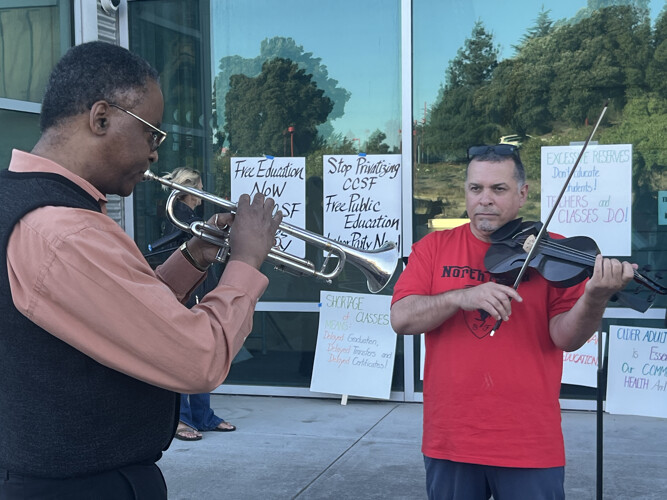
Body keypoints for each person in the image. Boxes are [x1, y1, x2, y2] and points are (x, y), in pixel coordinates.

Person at [0, 41, 282, 499]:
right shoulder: (64, 232)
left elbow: (128, 316)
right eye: (152, 134)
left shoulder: (27, 203)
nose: (155, 155)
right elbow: (199, 359)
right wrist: (247, 262)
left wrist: (195, 255)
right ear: (101, 118)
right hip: (85, 486)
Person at [390, 144, 635, 500]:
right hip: (452, 439)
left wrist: (594, 298)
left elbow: (566, 338)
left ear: (522, 194)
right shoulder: (433, 247)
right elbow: (401, 318)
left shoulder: (553, 254)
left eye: (498, 189)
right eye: (476, 189)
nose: (485, 199)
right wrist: (461, 296)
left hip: (529, 441)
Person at [155, 167, 237, 441]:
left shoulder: (189, 216)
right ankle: (183, 418)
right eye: (200, 187)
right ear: (190, 188)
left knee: (202, 353)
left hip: (199, 287)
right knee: (186, 355)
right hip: (189, 291)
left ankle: (202, 416)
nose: (202, 194)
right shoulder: (179, 214)